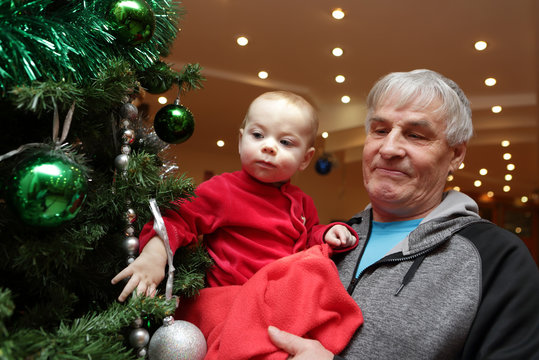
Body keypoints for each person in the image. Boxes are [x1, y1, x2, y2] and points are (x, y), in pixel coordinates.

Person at [268, 69, 539, 359]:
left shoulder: (496, 257)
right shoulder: (328, 239)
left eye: (415, 135)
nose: (389, 148)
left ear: (456, 155)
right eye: (380, 130)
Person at [112, 90, 358, 302]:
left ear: (305, 158)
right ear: (241, 141)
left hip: (281, 297)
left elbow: (309, 235)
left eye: (285, 142)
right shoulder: (224, 189)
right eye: (258, 135)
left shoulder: (303, 202)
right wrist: (155, 256)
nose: (268, 146)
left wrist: (326, 233)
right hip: (231, 297)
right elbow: (177, 218)